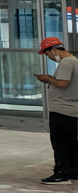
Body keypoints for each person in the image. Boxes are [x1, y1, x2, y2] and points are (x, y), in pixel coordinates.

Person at [36, 37, 78, 185]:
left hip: (62, 110)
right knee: (70, 142)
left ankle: (61, 173)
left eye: (47, 54)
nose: (49, 58)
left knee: (60, 143)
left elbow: (62, 84)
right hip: (70, 110)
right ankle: (73, 171)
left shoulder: (66, 62)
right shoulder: (73, 60)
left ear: (53, 50)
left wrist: (47, 78)